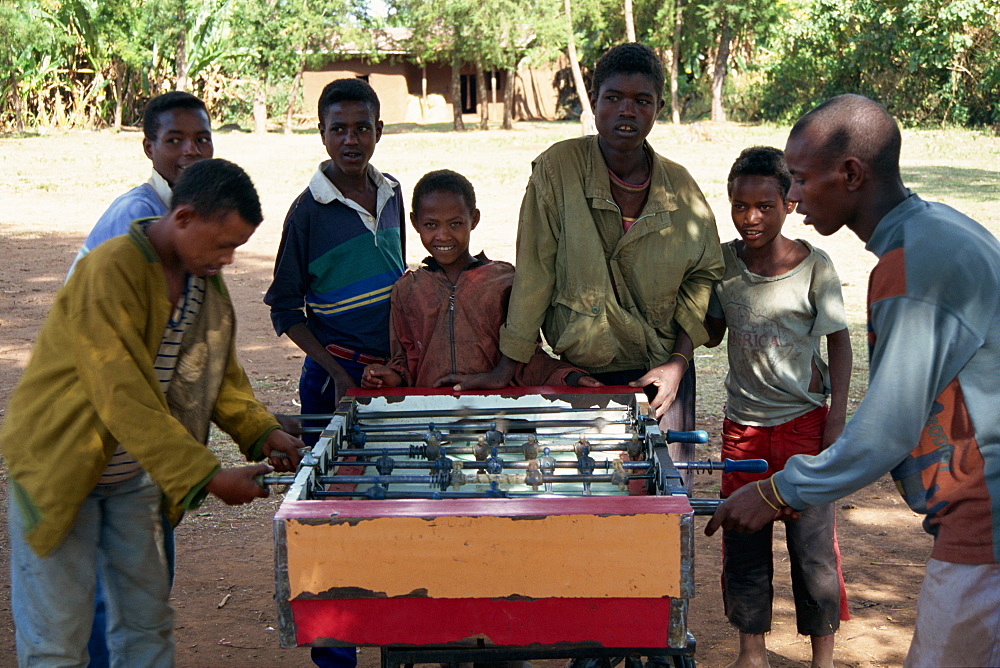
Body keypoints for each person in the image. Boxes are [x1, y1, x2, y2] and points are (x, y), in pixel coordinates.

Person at [705, 94, 1000, 668]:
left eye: (800, 180)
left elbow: (887, 431)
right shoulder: (936, 232)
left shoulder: (912, 264)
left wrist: (774, 491)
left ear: (851, 174)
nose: (791, 197)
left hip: (985, 525)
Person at [2, 158, 304, 666]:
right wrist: (209, 478)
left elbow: (222, 378)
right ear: (183, 218)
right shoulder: (110, 270)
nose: (228, 260)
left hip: (133, 477)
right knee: (57, 642)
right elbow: (124, 396)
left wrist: (262, 432)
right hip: (60, 470)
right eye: (223, 245)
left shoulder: (200, 282)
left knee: (146, 626)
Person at [494, 42, 724, 480]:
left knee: (663, 496)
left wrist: (678, 363)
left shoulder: (681, 188)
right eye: (613, 98)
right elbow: (535, 271)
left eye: (642, 101)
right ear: (594, 102)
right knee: (583, 490)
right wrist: (510, 364)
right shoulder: (557, 169)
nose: (627, 111)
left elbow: (703, 276)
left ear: (658, 108)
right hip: (582, 370)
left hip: (661, 376)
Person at [264, 77, 404, 668]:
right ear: (321, 134)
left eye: (362, 127)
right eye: (338, 128)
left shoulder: (395, 191)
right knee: (334, 512)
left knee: (396, 499)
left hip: (394, 382)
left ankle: (402, 630)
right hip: (334, 380)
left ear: (379, 131)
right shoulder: (307, 211)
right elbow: (283, 308)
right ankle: (335, 649)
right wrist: (335, 370)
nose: (352, 139)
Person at [704, 146, 852, 668]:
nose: (751, 218)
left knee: (812, 550)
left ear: (788, 202)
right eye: (740, 206)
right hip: (742, 430)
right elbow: (713, 329)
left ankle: (823, 657)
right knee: (744, 543)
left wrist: (834, 421)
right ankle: (752, 653)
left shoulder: (815, 266)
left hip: (804, 428)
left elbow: (839, 342)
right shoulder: (722, 263)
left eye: (765, 206)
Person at [361, 169, 600, 391]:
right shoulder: (407, 290)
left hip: (500, 415)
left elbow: (526, 357)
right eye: (431, 225)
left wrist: (568, 376)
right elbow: (404, 361)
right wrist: (389, 376)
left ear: (474, 219)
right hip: (432, 419)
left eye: (455, 223)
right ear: (414, 223)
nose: (443, 235)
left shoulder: (504, 282)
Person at [68, 91, 214, 277]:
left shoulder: (194, 208)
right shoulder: (137, 214)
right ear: (149, 148)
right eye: (174, 140)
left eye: (202, 140)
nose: (192, 150)